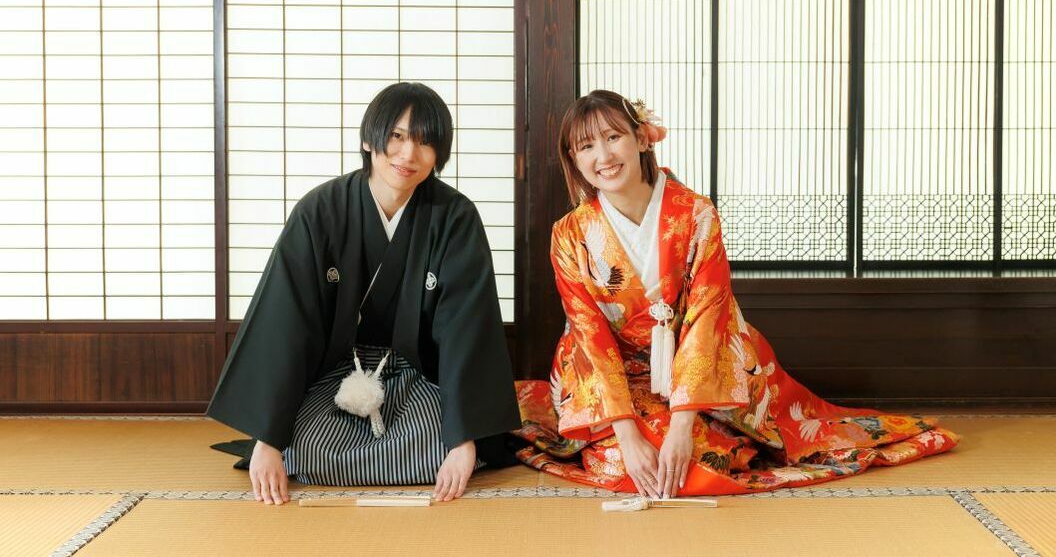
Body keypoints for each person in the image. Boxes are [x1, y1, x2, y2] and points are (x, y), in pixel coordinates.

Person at [512, 90, 958, 497]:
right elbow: (589, 334)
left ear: (642, 139)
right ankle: (633, 435)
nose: (604, 156)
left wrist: (682, 426)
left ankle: (699, 429)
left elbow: (708, 314)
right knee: (620, 460)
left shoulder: (695, 214)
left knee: (698, 457)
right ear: (573, 158)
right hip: (616, 379)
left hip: (700, 361)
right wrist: (627, 435)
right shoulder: (569, 234)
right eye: (587, 146)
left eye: (614, 137)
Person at [208, 82, 521, 504]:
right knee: (304, 443)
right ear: (369, 139)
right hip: (335, 376)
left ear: (440, 153)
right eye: (397, 136)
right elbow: (286, 321)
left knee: (441, 447)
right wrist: (268, 438)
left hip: (418, 380)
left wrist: (463, 439)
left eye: (424, 142)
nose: (408, 154)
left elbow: (466, 329)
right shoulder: (320, 210)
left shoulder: (455, 217)